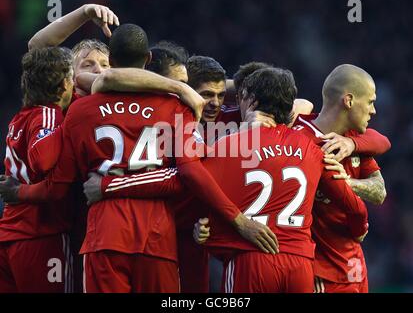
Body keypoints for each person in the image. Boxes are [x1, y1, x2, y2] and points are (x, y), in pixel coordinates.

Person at [0, 24, 277, 293]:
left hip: (101, 236)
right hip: (157, 238)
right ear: (148, 60)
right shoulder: (176, 107)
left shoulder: (79, 110)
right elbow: (189, 172)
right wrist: (238, 220)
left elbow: (58, 184)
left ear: (112, 60)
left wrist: (21, 190)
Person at [84, 67, 369, 293]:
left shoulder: (231, 145)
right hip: (301, 266)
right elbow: (355, 208)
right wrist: (359, 229)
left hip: (250, 261)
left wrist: (109, 185)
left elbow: (183, 176)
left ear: (252, 101)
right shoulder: (311, 145)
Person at [292, 64, 388, 293]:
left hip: (355, 267)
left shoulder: (354, 140)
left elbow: (379, 191)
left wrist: (344, 181)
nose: (373, 110)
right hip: (319, 273)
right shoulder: (298, 137)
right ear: (349, 100)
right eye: (370, 102)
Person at [0, 47, 75, 293]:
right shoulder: (49, 115)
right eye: (72, 78)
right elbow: (42, 160)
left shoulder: (19, 118)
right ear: (63, 84)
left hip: (9, 237)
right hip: (40, 237)